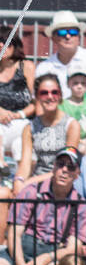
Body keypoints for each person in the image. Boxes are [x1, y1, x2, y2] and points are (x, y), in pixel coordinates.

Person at [9, 149, 86, 265]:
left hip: (53, 254)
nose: (64, 170)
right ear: (53, 167)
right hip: (22, 251)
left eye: (70, 167)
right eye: (60, 164)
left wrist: (43, 259)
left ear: (77, 174)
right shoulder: (32, 191)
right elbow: (14, 233)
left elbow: (73, 248)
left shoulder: (81, 206)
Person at [19, 74, 81, 182]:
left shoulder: (71, 125)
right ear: (37, 97)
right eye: (44, 93)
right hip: (35, 181)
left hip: (62, 181)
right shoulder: (30, 128)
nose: (50, 97)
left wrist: (32, 181)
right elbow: (25, 164)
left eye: (54, 92)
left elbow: (68, 165)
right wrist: (19, 180)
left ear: (60, 95)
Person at [34, 11, 86, 96]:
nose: (68, 36)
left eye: (73, 32)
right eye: (62, 32)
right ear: (53, 38)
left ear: (79, 36)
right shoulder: (43, 69)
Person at [0, 39, 35, 171]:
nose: (2, 46)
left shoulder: (26, 67)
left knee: (21, 144)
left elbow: (35, 103)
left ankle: (21, 182)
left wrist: (17, 115)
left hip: (21, 121)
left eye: (6, 43)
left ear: (15, 46)